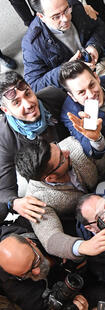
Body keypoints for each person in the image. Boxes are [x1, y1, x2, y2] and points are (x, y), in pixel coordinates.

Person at [15, 137, 105, 261]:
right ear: (50, 178)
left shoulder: (76, 146)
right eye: (62, 159)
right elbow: (50, 238)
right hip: (88, 224)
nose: (66, 152)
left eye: (58, 147)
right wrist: (83, 246)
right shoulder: (36, 199)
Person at [0, 71, 68, 223]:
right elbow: (5, 189)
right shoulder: (4, 137)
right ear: (5, 110)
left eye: (28, 94)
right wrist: (15, 202)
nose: (28, 104)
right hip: (48, 185)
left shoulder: (54, 96)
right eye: (17, 102)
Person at [22, 0, 105, 92]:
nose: (65, 19)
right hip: (76, 85)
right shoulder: (32, 45)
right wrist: (66, 70)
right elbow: (34, 85)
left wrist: (94, 46)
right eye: (56, 17)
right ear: (41, 17)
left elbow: (99, 27)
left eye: (66, 10)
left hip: (100, 60)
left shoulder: (75, 6)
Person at [59, 60, 105, 163]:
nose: (91, 94)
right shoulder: (71, 115)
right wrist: (96, 139)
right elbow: (94, 153)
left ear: (97, 77)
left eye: (92, 85)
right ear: (72, 96)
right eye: (81, 92)